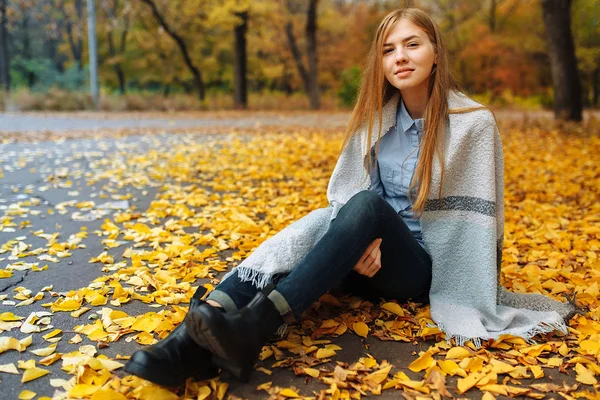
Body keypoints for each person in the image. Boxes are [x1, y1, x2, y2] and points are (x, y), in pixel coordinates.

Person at [124, 7, 581, 387]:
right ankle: (184, 348)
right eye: (388, 50)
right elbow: (349, 198)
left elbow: (474, 228)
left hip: (424, 269)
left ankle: (253, 327)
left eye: (412, 44)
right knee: (311, 229)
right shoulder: (374, 122)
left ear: (436, 54)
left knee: (360, 209)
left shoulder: (473, 125)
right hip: (366, 256)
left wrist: (378, 236)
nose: (400, 56)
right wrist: (367, 241)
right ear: (380, 64)